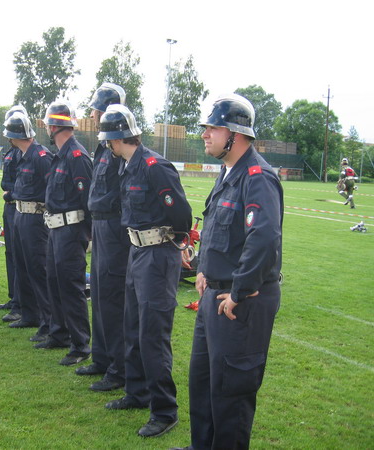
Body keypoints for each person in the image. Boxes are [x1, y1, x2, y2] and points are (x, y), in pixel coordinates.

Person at [173, 94, 283, 450]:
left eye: (213, 128)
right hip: (214, 295)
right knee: (203, 382)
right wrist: (203, 269)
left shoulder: (257, 177)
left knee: (231, 394)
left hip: (238, 303)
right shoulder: (228, 173)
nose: (205, 134)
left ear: (235, 134)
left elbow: (264, 238)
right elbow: (217, 228)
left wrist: (240, 290)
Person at [99, 105, 191, 438]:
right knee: (133, 327)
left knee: (153, 334)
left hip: (158, 255)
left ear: (116, 138)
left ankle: (165, 410)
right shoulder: (127, 166)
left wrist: (173, 242)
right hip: (137, 252)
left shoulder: (154, 166)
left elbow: (181, 214)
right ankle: (137, 392)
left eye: (107, 139)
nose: (106, 145)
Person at [76, 83, 129, 393]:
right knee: (98, 293)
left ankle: (119, 368)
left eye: (97, 110)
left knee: (112, 298)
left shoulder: (120, 145)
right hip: (100, 226)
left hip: (114, 228)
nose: (93, 115)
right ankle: (102, 357)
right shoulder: (103, 145)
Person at [35, 101, 93, 367]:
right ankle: (59, 333)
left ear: (53, 126)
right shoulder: (60, 154)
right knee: (55, 282)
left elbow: (87, 199)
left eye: (48, 123)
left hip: (71, 229)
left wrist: (85, 235)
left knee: (70, 286)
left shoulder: (76, 156)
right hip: (56, 228)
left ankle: (80, 344)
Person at [3, 112, 54, 341]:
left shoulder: (40, 156)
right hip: (21, 215)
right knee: (23, 267)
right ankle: (30, 314)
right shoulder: (23, 155)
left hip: (36, 219)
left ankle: (48, 323)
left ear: (14, 136)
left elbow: (51, 187)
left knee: (38, 270)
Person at [0, 105, 26, 319]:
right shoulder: (12, 151)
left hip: (18, 205)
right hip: (10, 206)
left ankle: (21, 301)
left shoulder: (23, 153)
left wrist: (11, 194)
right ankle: (14, 296)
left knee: (19, 254)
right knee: (10, 253)